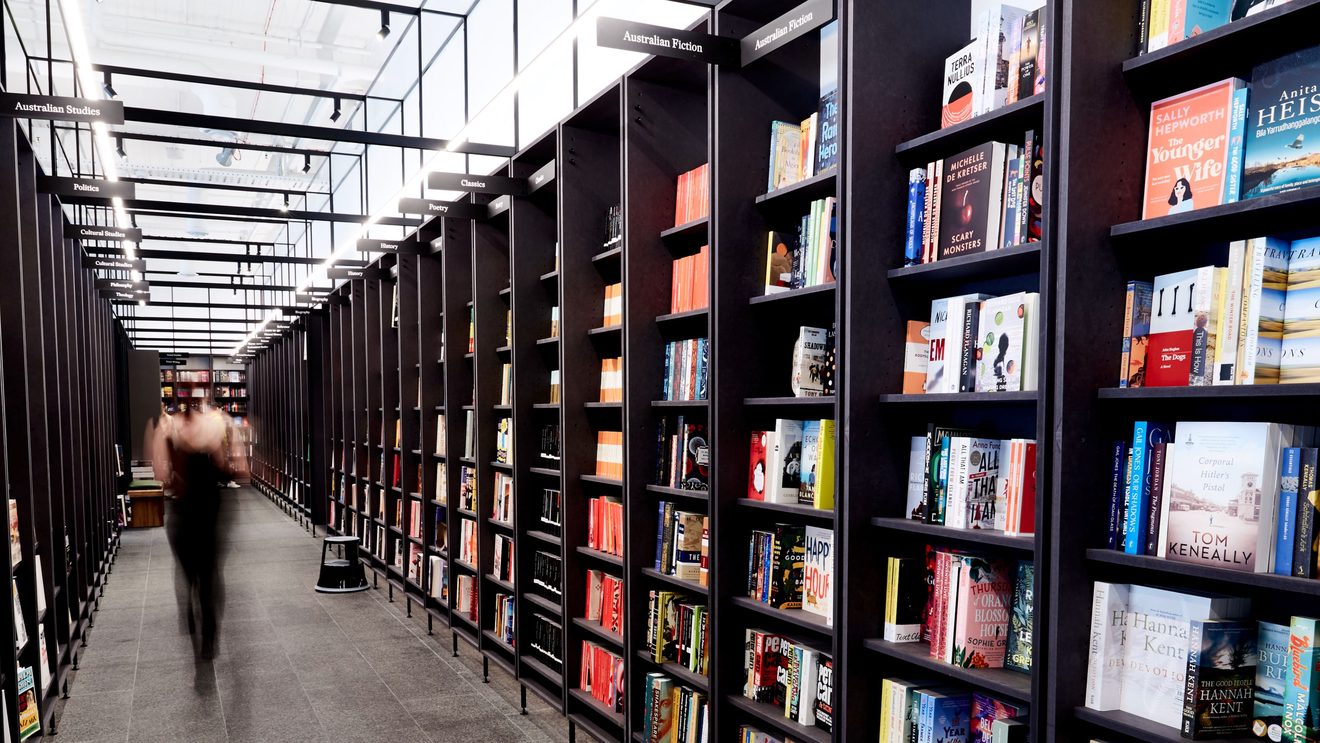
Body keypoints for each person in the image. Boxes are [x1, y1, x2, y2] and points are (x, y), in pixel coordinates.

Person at [146, 401, 247, 661]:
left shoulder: (172, 430)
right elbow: (228, 468)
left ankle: (197, 614)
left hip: (187, 513)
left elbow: (161, 473)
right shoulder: (211, 429)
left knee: (194, 570)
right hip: (208, 511)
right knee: (209, 572)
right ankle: (208, 629)